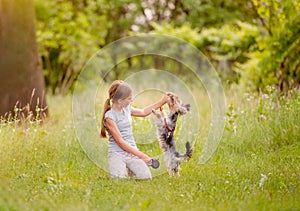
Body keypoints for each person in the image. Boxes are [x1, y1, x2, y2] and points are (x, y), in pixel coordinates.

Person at [100, 80, 171, 179]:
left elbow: (143, 112)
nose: (131, 100)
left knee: (145, 177)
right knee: (119, 180)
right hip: (117, 153)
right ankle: (122, 168)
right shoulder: (109, 117)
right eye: (129, 99)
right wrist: (143, 156)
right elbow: (121, 142)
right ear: (120, 101)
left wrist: (162, 101)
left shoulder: (127, 108)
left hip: (132, 152)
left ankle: (130, 169)